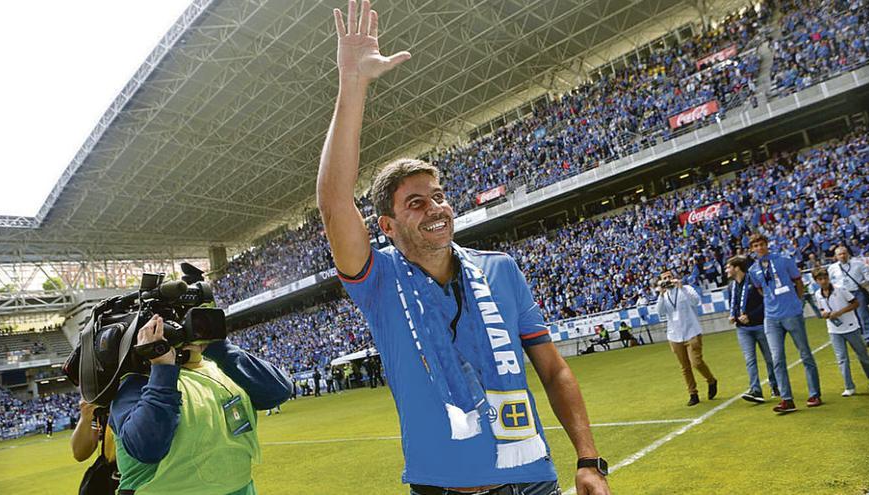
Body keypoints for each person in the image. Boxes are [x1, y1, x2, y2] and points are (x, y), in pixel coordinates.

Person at [316, 2, 610, 493]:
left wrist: (588, 459)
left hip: (531, 481)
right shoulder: (377, 280)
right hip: (440, 487)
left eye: (438, 196)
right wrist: (353, 83)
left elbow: (554, 369)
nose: (435, 208)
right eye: (415, 203)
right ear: (386, 225)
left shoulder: (501, 270)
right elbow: (332, 202)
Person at [109, 314, 292, 494]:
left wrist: (220, 348)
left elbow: (278, 392)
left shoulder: (223, 367)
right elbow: (147, 447)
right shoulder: (136, 384)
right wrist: (162, 366)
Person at [748, 233, 822, 414]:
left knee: (805, 354)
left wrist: (797, 302)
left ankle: (814, 394)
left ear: (767, 244)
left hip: (792, 313)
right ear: (752, 249)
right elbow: (760, 289)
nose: (759, 248)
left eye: (761, 244)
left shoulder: (784, 260)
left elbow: (798, 281)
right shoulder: (753, 269)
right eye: (755, 246)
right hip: (771, 318)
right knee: (777, 359)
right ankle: (786, 399)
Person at [655, 270, 718, 406]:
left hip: (692, 331)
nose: (668, 280)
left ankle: (711, 380)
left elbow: (696, 301)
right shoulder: (664, 296)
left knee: (696, 362)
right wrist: (660, 294)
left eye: (669, 277)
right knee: (685, 367)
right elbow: (660, 312)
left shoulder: (686, 289)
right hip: (674, 335)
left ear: (674, 277)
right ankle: (693, 393)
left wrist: (681, 287)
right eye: (665, 278)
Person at [812, 268, 869, 396]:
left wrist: (840, 312)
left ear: (828, 278)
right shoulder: (818, 294)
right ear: (816, 281)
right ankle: (849, 386)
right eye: (820, 279)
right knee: (841, 358)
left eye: (825, 278)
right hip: (834, 330)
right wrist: (824, 314)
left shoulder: (841, 289)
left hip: (851, 327)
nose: (823, 281)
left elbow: (856, 303)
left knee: (862, 354)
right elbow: (821, 310)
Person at [725, 256, 778, 403]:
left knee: (770, 359)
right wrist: (733, 316)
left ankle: (775, 386)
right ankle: (756, 390)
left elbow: (765, 302)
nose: (726, 270)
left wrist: (751, 315)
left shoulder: (754, 280)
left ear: (737, 268)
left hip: (761, 325)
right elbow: (734, 305)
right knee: (750, 360)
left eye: (728, 267)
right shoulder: (731, 286)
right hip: (743, 329)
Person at [828, 246, 869, 346]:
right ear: (836, 256)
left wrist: (863, 283)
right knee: (850, 316)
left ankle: (868, 337)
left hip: (856, 291)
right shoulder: (832, 268)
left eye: (844, 253)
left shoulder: (857, 263)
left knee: (863, 314)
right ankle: (858, 336)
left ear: (848, 254)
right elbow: (830, 281)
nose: (842, 256)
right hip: (842, 295)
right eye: (840, 254)